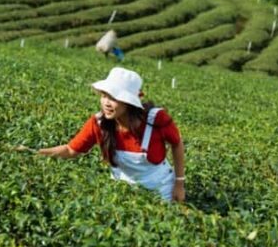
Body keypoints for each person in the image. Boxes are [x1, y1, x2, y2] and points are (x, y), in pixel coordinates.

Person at [38, 67, 186, 202]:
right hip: (123, 192)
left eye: (113, 98)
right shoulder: (99, 123)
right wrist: (35, 153)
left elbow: (177, 144)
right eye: (104, 96)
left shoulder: (156, 119)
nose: (106, 103)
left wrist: (179, 183)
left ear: (128, 102)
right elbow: (70, 150)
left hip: (160, 190)